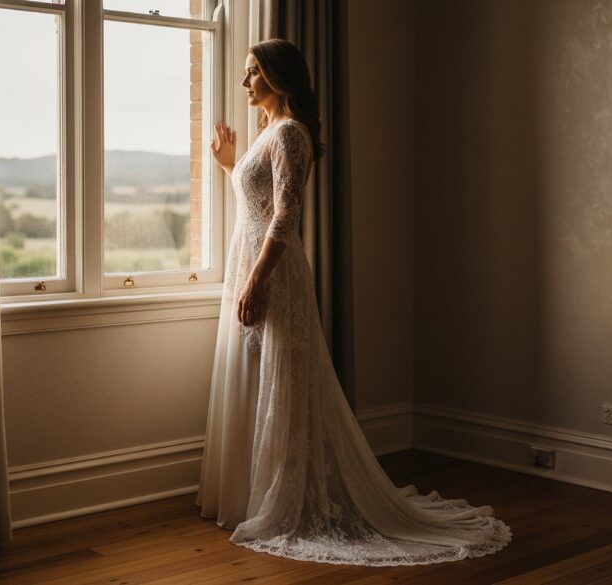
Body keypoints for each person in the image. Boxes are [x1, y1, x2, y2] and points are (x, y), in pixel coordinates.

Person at [194, 38, 512, 566]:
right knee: (255, 372)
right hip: (249, 264)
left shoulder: (290, 133)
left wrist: (257, 280)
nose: (245, 81)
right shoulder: (268, 132)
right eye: (247, 72)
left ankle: (286, 497)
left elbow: (284, 216)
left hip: (272, 271)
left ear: (279, 76)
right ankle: (251, 493)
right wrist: (230, 166)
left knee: (282, 374)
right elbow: (257, 204)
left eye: (254, 72)